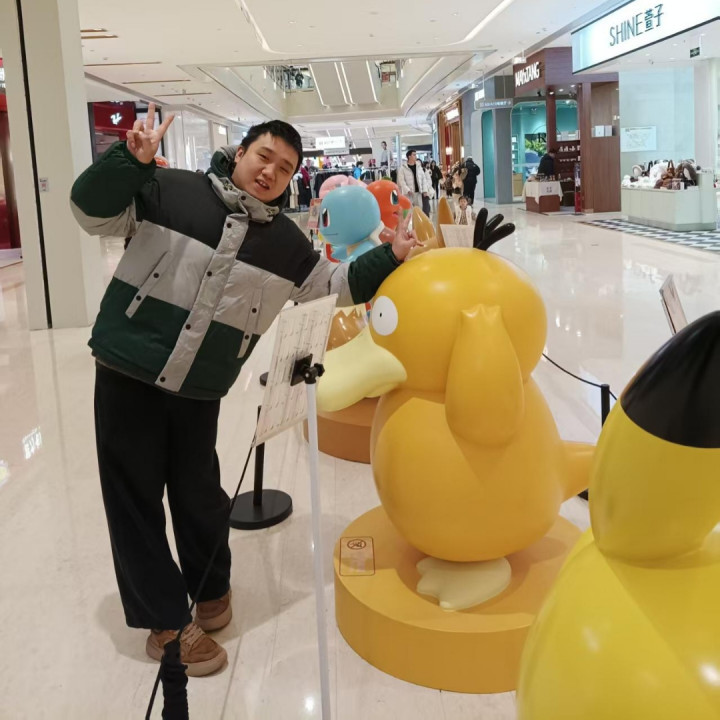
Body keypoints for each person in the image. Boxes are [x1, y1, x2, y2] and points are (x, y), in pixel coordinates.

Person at [70, 105, 418, 677]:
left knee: (200, 491)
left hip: (200, 384)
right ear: (240, 153)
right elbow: (90, 213)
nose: (270, 172)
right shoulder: (169, 190)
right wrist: (127, 164)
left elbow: (334, 286)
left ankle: (211, 586)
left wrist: (392, 254)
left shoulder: (285, 243)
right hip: (129, 368)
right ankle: (165, 620)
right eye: (263, 156)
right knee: (134, 499)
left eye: (284, 168)